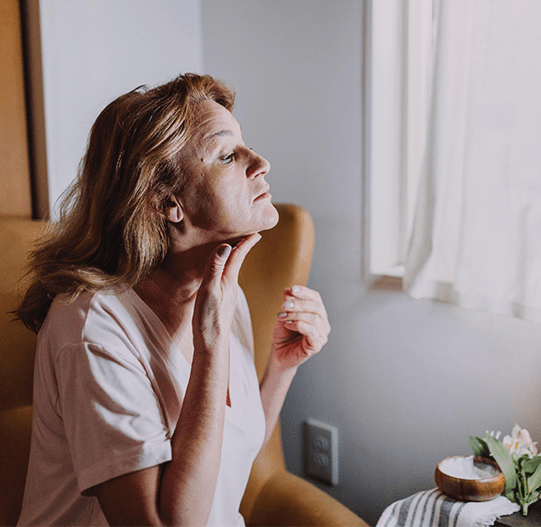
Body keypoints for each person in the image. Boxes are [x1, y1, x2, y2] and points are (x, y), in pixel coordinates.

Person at [15, 73, 330, 526]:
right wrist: (211, 343)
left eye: (246, 146)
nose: (260, 162)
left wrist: (281, 368)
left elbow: (227, 458)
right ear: (167, 203)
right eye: (227, 155)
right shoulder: (92, 330)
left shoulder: (222, 293)